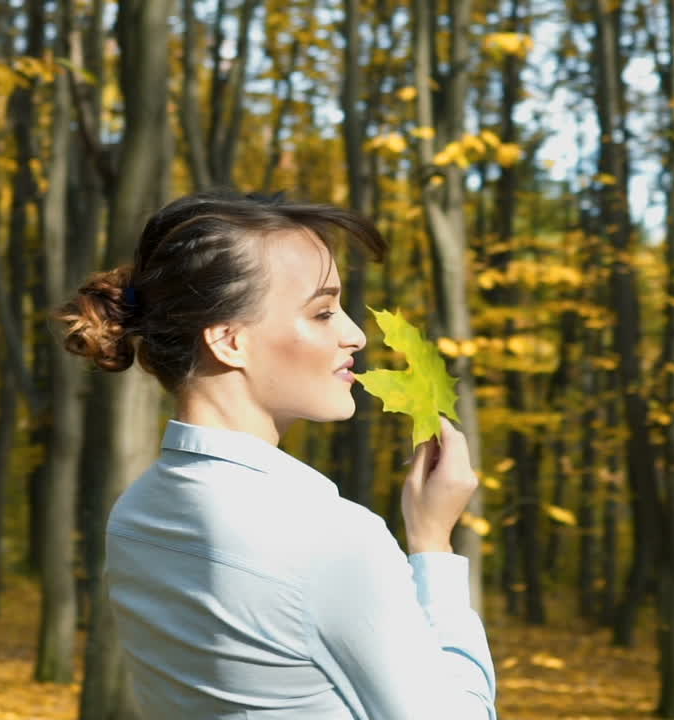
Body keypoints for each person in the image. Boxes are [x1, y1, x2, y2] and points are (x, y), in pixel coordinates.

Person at [59, 191, 497, 719]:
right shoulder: (330, 538)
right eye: (323, 312)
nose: (355, 334)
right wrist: (432, 546)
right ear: (229, 341)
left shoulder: (134, 515)